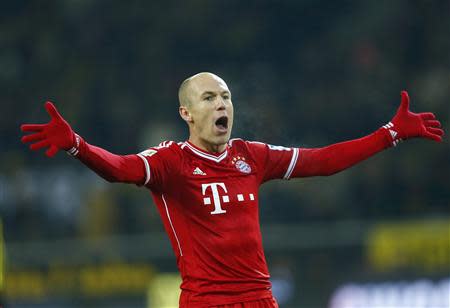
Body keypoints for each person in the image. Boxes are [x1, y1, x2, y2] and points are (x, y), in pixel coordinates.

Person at [20, 72, 444, 307]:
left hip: (260, 299)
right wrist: (78, 146)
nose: (221, 104)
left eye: (225, 96)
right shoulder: (170, 162)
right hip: (207, 303)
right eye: (209, 98)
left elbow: (324, 161)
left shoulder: (250, 156)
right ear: (186, 112)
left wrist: (389, 133)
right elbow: (119, 169)